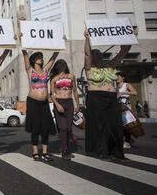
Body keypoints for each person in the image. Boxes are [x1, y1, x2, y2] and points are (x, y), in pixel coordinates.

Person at [84, 28, 137, 161]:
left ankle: (118, 152)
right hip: (96, 98)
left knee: (116, 125)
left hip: (112, 98)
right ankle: (103, 152)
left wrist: (131, 37)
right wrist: (87, 39)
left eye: (100, 54)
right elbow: (87, 55)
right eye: (95, 55)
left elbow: (123, 52)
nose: (99, 56)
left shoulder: (110, 66)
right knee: (101, 126)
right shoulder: (90, 69)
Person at [21, 45, 59, 162]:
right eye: (38, 57)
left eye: (41, 57)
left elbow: (53, 59)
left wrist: (58, 46)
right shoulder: (30, 70)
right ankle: (35, 151)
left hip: (44, 103)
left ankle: (45, 152)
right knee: (35, 127)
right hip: (33, 102)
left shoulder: (45, 70)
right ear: (33, 60)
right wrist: (23, 46)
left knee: (45, 127)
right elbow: (25, 57)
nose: (40, 58)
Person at [50, 59, 80, 160]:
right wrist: (57, 105)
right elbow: (52, 95)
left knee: (68, 128)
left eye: (63, 64)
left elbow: (75, 91)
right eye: (60, 65)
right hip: (59, 102)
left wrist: (78, 104)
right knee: (63, 128)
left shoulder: (71, 77)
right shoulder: (54, 79)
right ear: (57, 67)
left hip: (69, 103)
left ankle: (66, 149)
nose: (62, 66)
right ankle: (64, 150)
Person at [116, 71, 138, 149]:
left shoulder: (126, 85)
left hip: (125, 108)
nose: (116, 78)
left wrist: (123, 93)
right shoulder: (115, 86)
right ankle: (121, 140)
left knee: (126, 125)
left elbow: (135, 93)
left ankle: (127, 141)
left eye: (118, 77)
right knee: (118, 125)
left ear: (123, 78)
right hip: (117, 107)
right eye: (116, 77)